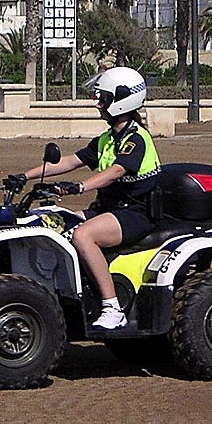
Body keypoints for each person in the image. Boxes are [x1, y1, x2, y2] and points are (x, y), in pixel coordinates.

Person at [19, 66, 160, 330]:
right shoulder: (107, 139)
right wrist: (23, 176)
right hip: (108, 210)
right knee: (50, 220)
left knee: (83, 236)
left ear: (122, 100)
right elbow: (70, 161)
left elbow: (116, 171)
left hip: (135, 214)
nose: (98, 104)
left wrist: (79, 187)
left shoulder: (137, 139)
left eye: (103, 99)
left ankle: (112, 308)